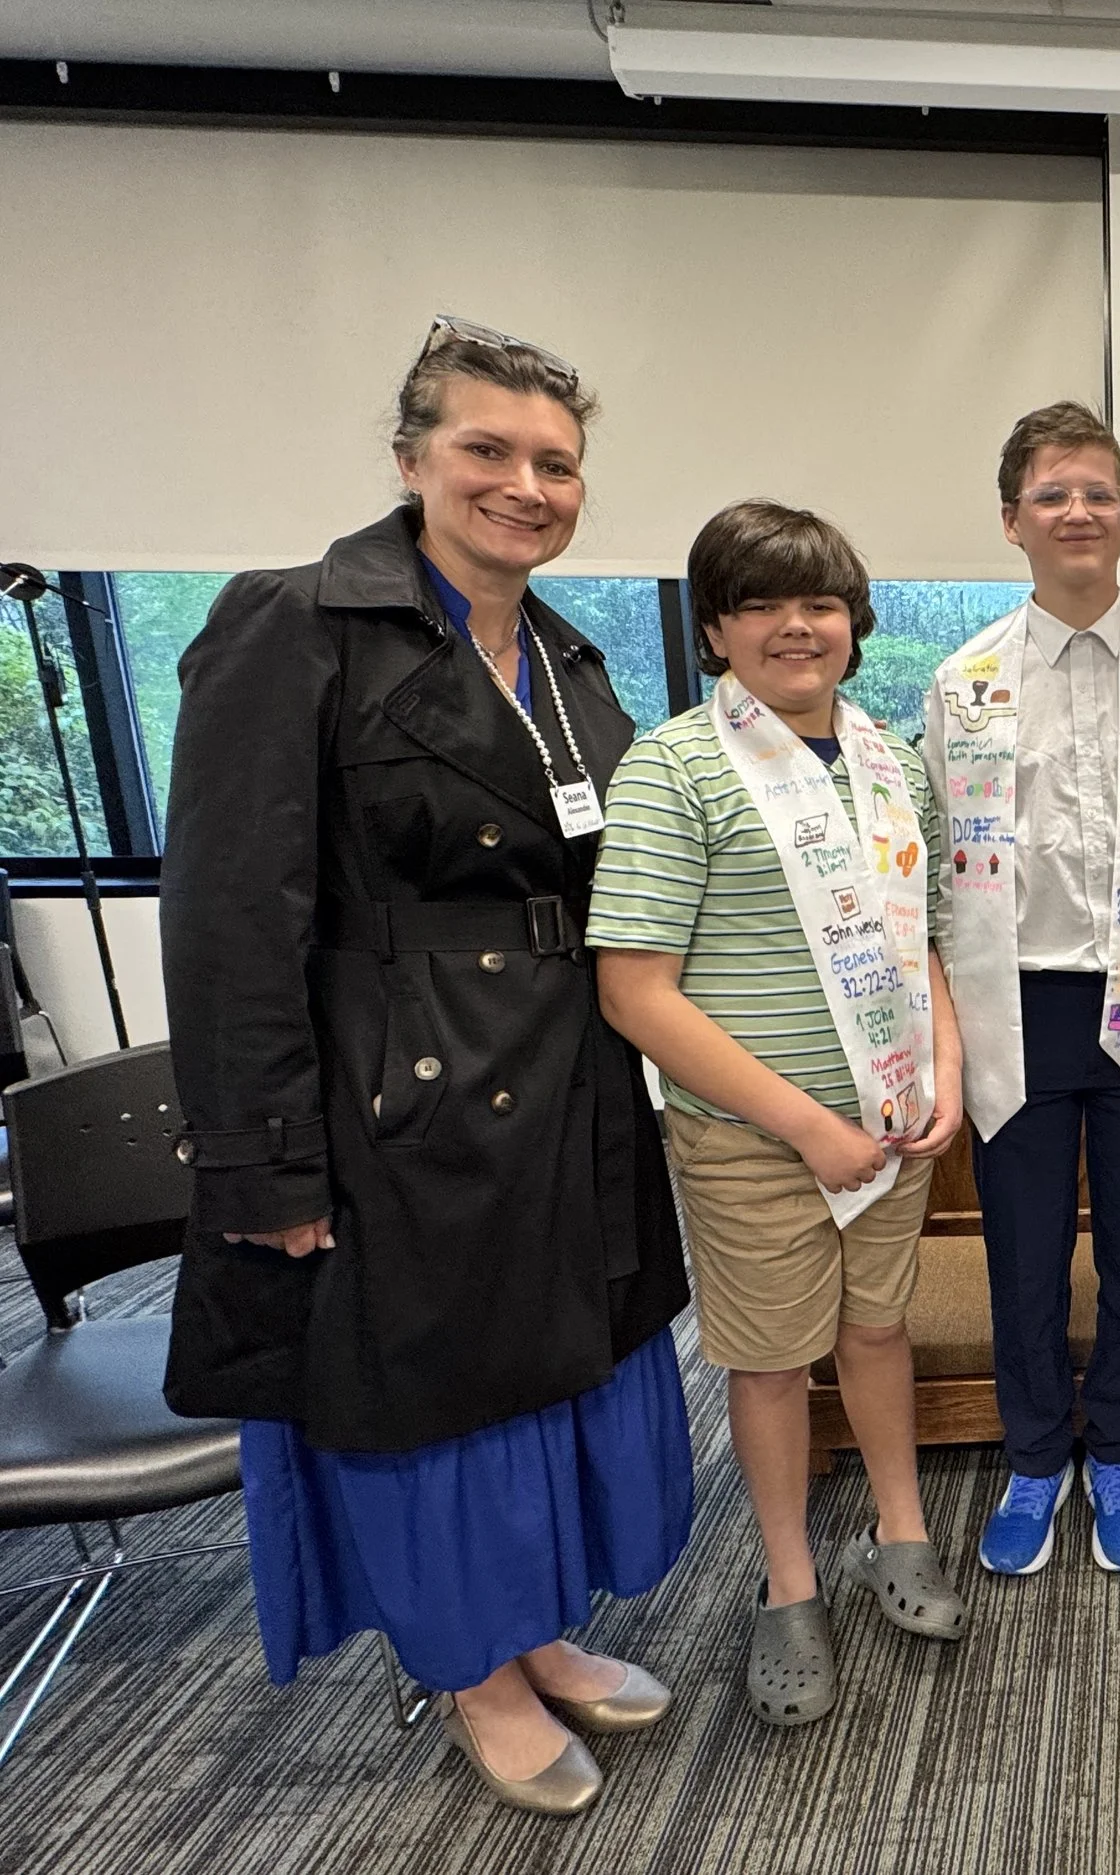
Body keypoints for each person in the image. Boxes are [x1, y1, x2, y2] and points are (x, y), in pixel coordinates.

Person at [159, 319, 693, 1818]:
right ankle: (467, 1667)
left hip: (560, 1073)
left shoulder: (569, 655)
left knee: (538, 1378)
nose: (524, 484)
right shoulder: (296, 622)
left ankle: (525, 1627)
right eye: (488, 450)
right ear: (411, 461)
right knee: (430, 1396)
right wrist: (262, 1165)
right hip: (390, 1091)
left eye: (555, 462)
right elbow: (225, 921)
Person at [590, 500, 968, 1728]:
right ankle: (790, 1580)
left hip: (895, 1124)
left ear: (852, 624)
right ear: (715, 628)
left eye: (819, 603)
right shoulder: (675, 767)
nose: (795, 627)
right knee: (765, 1361)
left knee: (876, 1332)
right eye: (761, 603)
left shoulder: (892, 761)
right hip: (752, 1138)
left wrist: (946, 1073)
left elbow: (930, 949)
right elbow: (633, 989)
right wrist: (807, 1124)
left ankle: (898, 1529)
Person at [924, 402, 1120, 1575]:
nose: (1077, 511)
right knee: (1018, 1248)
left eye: (1098, 492)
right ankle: (1029, 1458)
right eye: (1052, 493)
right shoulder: (960, 685)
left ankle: (1115, 1445)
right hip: (1015, 1003)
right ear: (1012, 519)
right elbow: (942, 873)